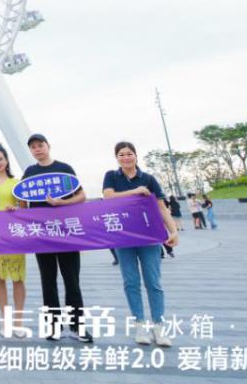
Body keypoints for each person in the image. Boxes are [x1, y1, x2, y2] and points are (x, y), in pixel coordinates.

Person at [102, 141, 178, 347]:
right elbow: (108, 197)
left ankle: (159, 326)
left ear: (136, 155)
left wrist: (173, 230)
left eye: (129, 153)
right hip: (123, 237)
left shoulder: (148, 179)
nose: (126, 157)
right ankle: (140, 325)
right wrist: (135, 191)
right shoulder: (111, 176)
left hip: (148, 237)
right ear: (116, 158)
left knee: (153, 281)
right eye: (121, 154)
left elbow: (161, 207)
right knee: (131, 282)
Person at [22, 133, 91, 343]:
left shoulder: (64, 169)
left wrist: (62, 203)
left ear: (48, 146)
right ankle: (54, 327)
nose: (37, 149)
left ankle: (77, 327)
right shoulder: (30, 173)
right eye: (33, 147)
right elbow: (22, 202)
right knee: (48, 281)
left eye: (40, 145)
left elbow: (82, 196)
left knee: (72, 280)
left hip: (66, 233)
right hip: (42, 235)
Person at [0, 143, 27, 338]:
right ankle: (6, 321)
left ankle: (18, 322)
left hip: (13, 234)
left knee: (18, 278)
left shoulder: (16, 183)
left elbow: (24, 208)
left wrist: (16, 209)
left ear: (7, 161)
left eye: (0, 158)